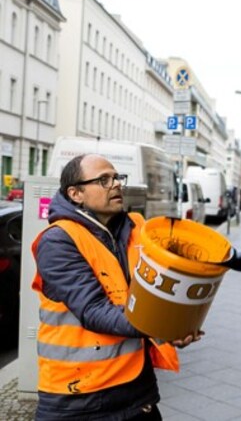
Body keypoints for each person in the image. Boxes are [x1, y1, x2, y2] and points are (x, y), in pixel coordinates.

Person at [31, 154, 201, 420]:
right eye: (103, 180)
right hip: (78, 399)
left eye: (117, 177)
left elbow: (155, 297)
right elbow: (94, 310)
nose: (116, 185)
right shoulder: (58, 241)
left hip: (136, 392)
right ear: (75, 193)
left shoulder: (137, 230)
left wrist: (176, 327)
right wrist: (164, 325)